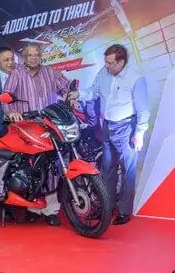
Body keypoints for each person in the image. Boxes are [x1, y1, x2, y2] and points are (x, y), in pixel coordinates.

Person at [68, 44, 149, 225]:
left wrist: (139, 133)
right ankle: (108, 206)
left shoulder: (135, 78)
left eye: (110, 63)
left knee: (128, 171)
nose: (107, 66)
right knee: (107, 169)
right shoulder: (103, 73)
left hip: (127, 127)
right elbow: (93, 92)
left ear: (121, 62)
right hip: (107, 126)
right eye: (105, 62)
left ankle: (125, 211)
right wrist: (78, 94)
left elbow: (144, 110)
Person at [2, 42, 70, 226]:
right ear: (24, 57)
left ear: (41, 56)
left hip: (50, 126)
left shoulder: (50, 72)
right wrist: (10, 112)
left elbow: (66, 87)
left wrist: (71, 96)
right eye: (30, 55)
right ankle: (32, 208)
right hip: (27, 128)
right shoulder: (17, 73)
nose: (33, 58)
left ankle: (51, 210)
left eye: (36, 55)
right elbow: (5, 96)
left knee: (53, 166)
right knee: (31, 167)